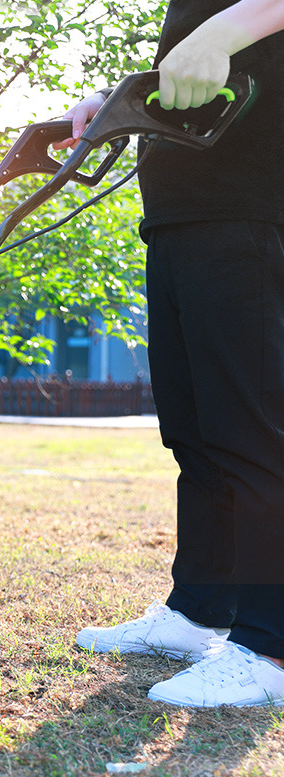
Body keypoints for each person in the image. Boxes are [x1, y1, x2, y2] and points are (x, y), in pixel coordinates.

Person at [60, 0, 284, 707]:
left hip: (251, 202)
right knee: (196, 432)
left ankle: (270, 649)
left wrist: (223, 32)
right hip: (181, 210)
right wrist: (121, 97)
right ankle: (198, 614)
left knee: (251, 432)